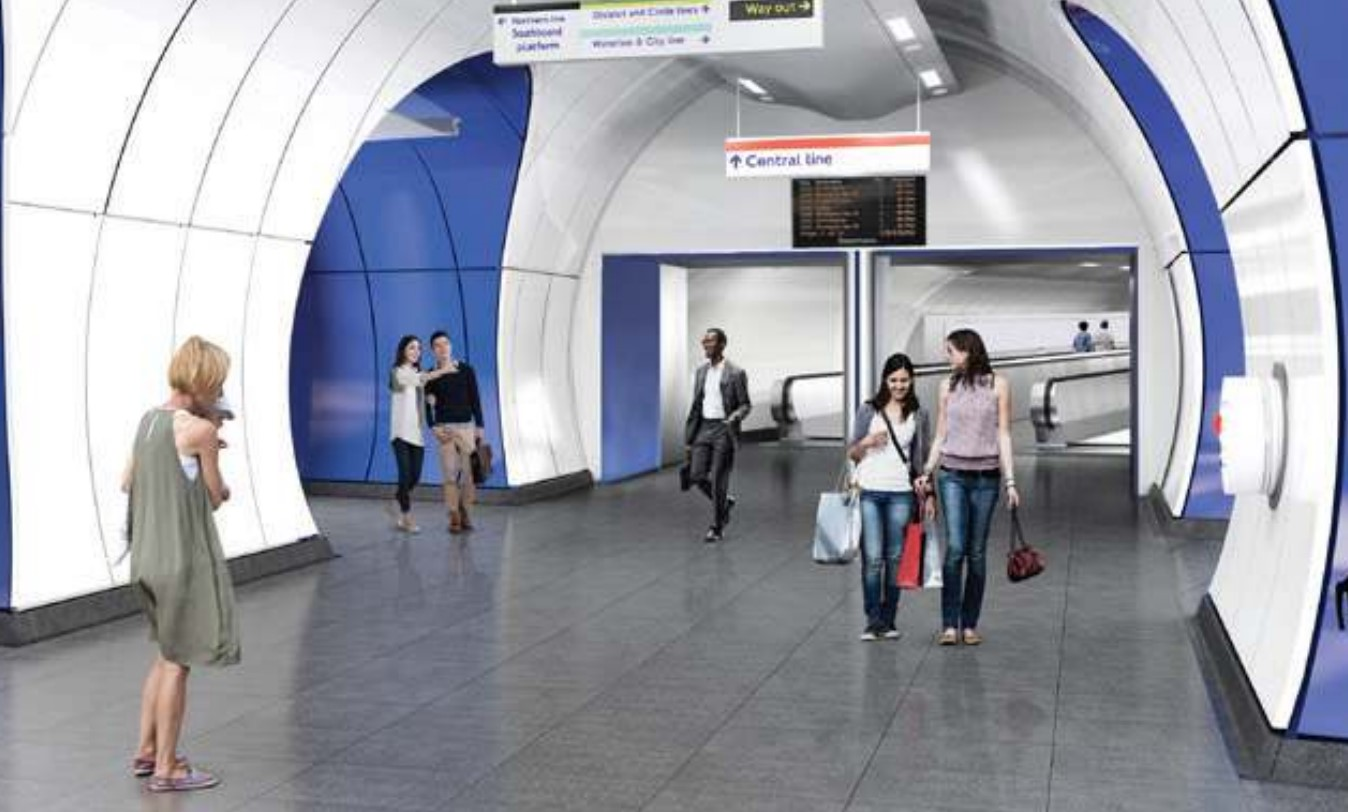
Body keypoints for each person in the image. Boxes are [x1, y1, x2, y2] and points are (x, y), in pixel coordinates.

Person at [122, 336, 240, 792]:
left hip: (147, 558)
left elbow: (128, 480)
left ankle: (146, 750)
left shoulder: (148, 422)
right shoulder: (201, 431)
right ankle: (168, 768)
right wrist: (212, 457)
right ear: (205, 380)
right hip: (180, 560)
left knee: (163, 654)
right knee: (178, 663)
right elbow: (214, 497)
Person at [918, 328, 1020, 646]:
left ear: (967, 350)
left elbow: (1003, 434)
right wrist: (928, 470)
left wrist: (1010, 481)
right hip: (952, 475)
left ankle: (970, 623)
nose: (947, 357)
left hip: (986, 478)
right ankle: (950, 623)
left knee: (976, 553)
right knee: (956, 548)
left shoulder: (998, 384)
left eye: (950, 351)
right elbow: (941, 433)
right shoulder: (946, 385)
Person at [847, 353, 934, 641]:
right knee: (872, 558)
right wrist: (868, 441)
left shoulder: (919, 413)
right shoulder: (868, 410)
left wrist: (929, 493)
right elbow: (852, 452)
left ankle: (889, 618)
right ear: (885, 380)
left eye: (904, 380)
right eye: (894, 380)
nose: (899, 386)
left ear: (912, 380)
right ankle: (873, 620)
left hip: (901, 493)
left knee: (895, 558)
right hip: (870, 490)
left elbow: (921, 460)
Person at [684, 328, 751, 543]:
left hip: (724, 429)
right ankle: (725, 503)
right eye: (704, 340)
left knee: (718, 480)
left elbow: (745, 404)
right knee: (695, 475)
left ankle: (717, 527)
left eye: (710, 340)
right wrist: (689, 438)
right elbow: (696, 406)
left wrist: (734, 417)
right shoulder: (701, 372)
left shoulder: (736, 373)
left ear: (722, 344)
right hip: (703, 428)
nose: (705, 343)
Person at [388, 335, 452, 533]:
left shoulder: (418, 373)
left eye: (418, 348)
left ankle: (396, 502)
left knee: (414, 478)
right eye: (411, 348)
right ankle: (407, 519)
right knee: (405, 475)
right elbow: (420, 379)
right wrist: (445, 370)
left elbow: (422, 390)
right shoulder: (397, 372)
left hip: (417, 434)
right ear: (403, 351)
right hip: (400, 434)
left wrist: (430, 398)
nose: (416, 352)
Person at [423, 330, 484, 533]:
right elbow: (427, 405)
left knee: (469, 475)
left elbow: (475, 399)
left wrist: (480, 426)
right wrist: (433, 427)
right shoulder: (431, 375)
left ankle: (465, 511)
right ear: (433, 350)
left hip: (467, 428)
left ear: (451, 346)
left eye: (446, 344)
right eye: (438, 345)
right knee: (450, 475)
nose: (443, 348)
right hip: (445, 429)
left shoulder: (466, 370)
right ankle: (454, 516)